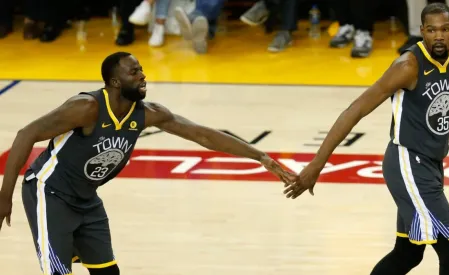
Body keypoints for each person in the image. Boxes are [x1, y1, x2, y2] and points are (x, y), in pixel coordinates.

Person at [0, 52, 297, 275]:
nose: (143, 75)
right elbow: (27, 133)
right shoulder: (86, 107)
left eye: (141, 69)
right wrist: (4, 197)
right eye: (134, 72)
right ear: (115, 82)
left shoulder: (148, 113)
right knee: (58, 272)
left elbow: (202, 134)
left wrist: (259, 156)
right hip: (49, 192)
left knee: (108, 271)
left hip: (86, 198)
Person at [284, 3, 449, 274]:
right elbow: (355, 110)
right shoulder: (408, 66)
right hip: (408, 164)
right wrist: (317, 164)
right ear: (421, 32)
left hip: (431, 164)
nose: (438, 36)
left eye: (444, 29)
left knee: (408, 253)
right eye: (431, 30)